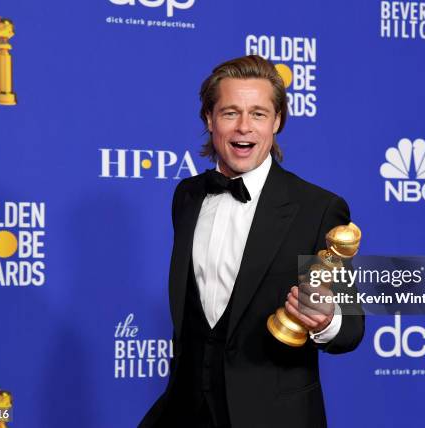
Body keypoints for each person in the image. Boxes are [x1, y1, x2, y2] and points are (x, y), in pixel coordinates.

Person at [139, 55, 364, 428]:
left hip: (274, 416)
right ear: (209, 120)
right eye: (230, 113)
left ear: (277, 122)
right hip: (186, 413)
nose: (244, 127)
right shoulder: (189, 196)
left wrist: (326, 318)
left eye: (258, 114)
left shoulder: (317, 208)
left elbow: (351, 328)